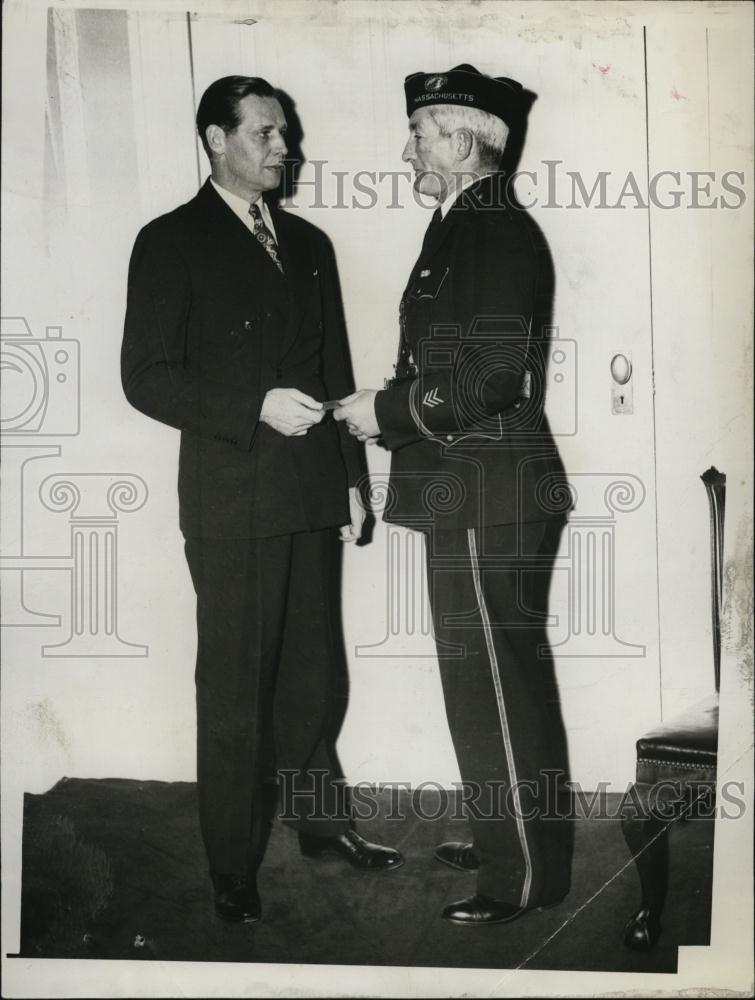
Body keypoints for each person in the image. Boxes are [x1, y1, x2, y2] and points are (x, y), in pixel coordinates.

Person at [122, 75, 402, 925]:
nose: (286, 148)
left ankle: (322, 827)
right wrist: (250, 403)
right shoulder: (169, 240)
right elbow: (145, 378)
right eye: (268, 134)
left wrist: (353, 484)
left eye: (286, 134)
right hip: (232, 497)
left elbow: (333, 370)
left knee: (313, 678)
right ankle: (232, 864)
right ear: (216, 138)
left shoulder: (309, 242)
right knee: (238, 684)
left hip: (312, 491)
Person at [335, 64, 571, 926]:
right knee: (491, 677)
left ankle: (523, 877)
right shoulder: (463, 228)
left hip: (485, 488)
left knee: (493, 685)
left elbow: (493, 378)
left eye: (423, 135)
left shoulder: (493, 233)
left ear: (466, 143)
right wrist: (389, 412)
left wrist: (384, 411)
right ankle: (509, 829)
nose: (408, 151)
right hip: (471, 485)